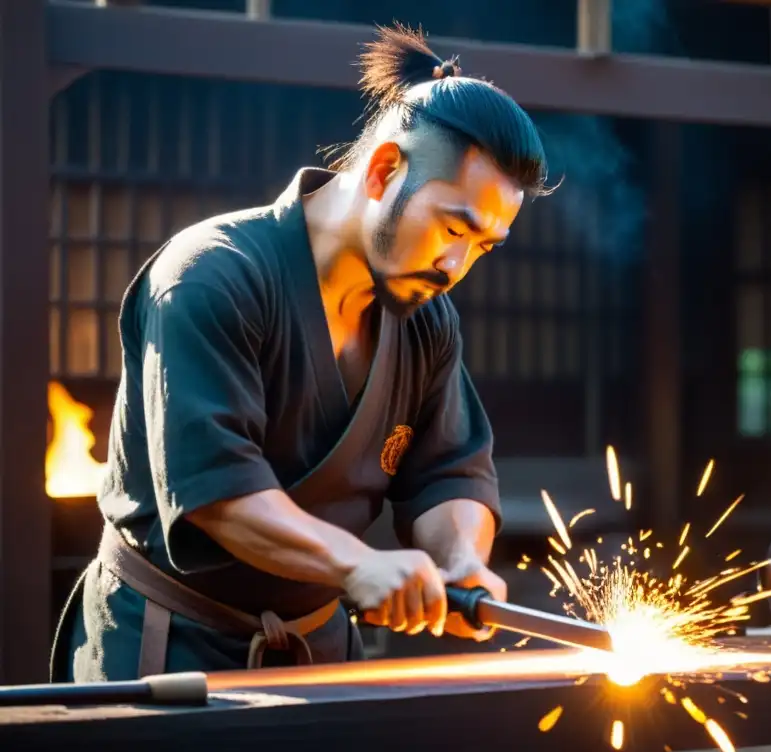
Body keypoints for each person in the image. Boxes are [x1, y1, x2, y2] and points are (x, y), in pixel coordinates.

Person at [52, 23, 553, 682]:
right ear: (383, 171)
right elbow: (219, 494)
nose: (456, 265)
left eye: (483, 246)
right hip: (167, 648)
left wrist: (461, 561)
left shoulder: (428, 323)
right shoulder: (211, 274)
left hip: (321, 654)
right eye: (453, 227)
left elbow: (448, 472)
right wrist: (359, 565)